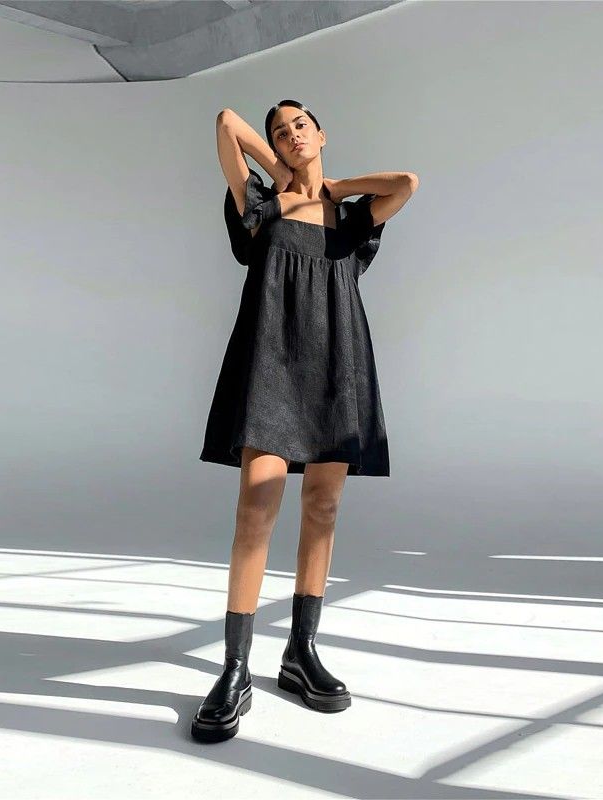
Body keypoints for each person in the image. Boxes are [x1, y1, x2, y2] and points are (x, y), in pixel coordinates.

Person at [192, 100, 418, 743]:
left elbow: (407, 183)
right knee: (255, 510)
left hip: (336, 368)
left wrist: (332, 187)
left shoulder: (352, 217)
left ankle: (300, 651)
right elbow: (227, 121)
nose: (290, 134)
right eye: (279, 131)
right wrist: (284, 172)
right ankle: (235, 669)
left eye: (299, 126)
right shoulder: (260, 207)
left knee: (322, 507)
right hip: (271, 365)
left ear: (321, 133)